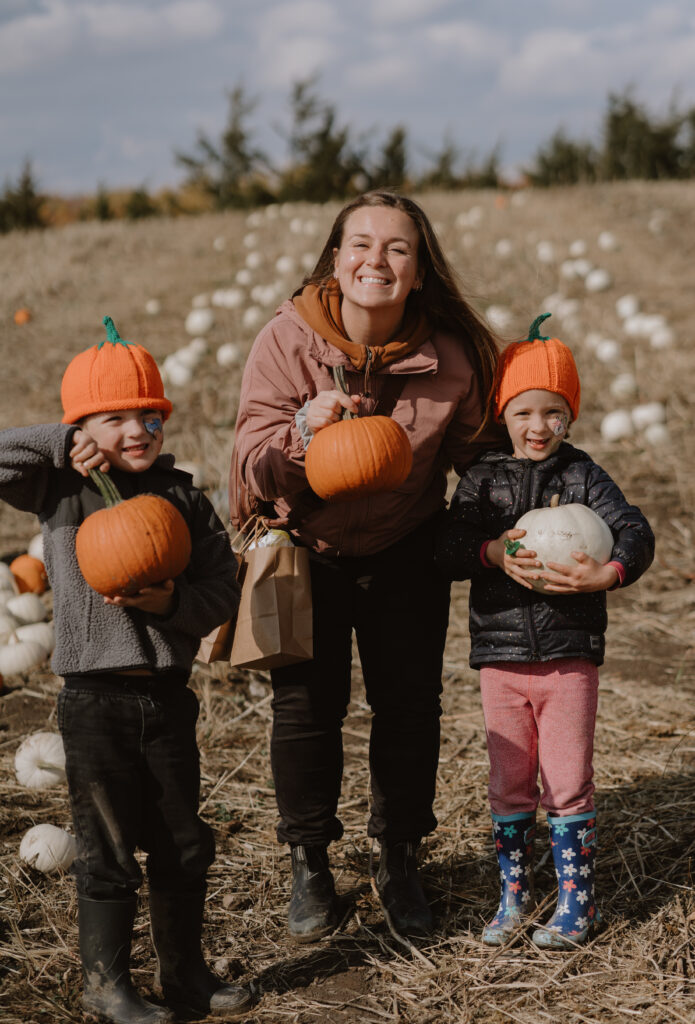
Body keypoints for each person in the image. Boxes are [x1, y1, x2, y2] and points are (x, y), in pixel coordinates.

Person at [230, 190, 500, 941]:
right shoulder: (286, 340)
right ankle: (310, 865)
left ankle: (399, 856)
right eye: (360, 245)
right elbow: (249, 469)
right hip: (305, 547)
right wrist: (297, 432)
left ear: (418, 272)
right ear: (336, 259)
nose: (375, 260)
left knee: (409, 707)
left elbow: (477, 466)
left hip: (404, 544)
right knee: (307, 708)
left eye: (396, 249)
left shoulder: (449, 357)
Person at [0, 316, 251, 1023]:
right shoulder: (57, 489)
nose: (137, 429)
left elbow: (221, 591)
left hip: (167, 699)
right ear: (83, 427)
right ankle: (107, 987)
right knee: (105, 846)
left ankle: (186, 977)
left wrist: (171, 601)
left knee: (182, 843)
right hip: (93, 702)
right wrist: (60, 441)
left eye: (150, 415)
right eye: (113, 418)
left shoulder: (183, 498)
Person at [435, 313, 654, 949]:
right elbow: (447, 544)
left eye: (554, 412)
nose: (539, 427)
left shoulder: (583, 474)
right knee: (508, 780)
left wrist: (608, 573)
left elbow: (635, 529)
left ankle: (576, 904)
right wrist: (491, 553)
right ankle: (513, 897)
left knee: (566, 780)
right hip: (500, 655)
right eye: (525, 411)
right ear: (503, 412)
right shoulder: (481, 478)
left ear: (571, 415)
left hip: (568, 655)